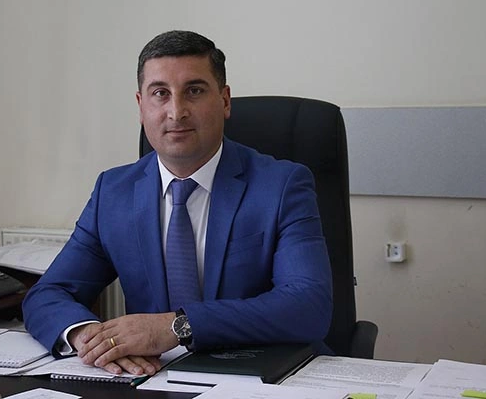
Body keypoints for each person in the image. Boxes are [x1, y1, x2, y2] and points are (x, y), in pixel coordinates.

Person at [22, 30, 332, 377]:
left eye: (194, 91)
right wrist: (91, 338)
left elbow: (308, 306)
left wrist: (177, 327)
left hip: (261, 377)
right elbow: (48, 294)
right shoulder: (114, 192)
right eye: (160, 94)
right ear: (141, 106)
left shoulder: (282, 185)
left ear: (225, 101)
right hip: (152, 377)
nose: (176, 112)